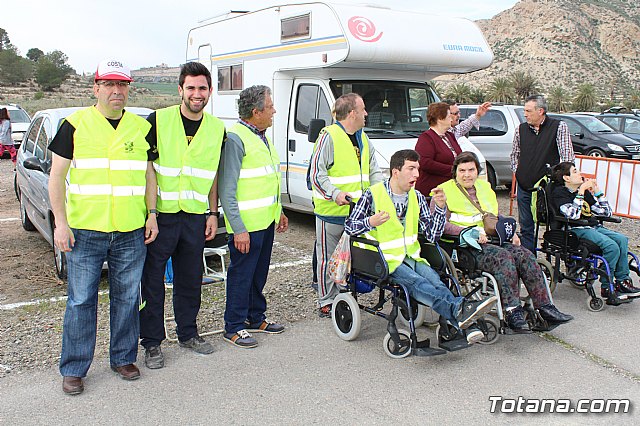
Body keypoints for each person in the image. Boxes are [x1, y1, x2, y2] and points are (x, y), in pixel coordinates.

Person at [48, 60, 158, 395]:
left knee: (126, 298)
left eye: (122, 85)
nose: (116, 91)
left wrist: (151, 214)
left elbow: (149, 174)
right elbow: (56, 178)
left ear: (129, 89)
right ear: (95, 88)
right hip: (85, 232)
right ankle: (74, 368)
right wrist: (61, 224)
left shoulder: (141, 128)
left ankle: (123, 358)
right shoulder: (74, 125)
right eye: (108, 84)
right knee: (81, 300)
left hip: (129, 231)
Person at [345, 149, 498, 344]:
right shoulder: (373, 195)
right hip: (385, 259)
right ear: (396, 172)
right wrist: (370, 222)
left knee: (437, 282)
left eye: (417, 169)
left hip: (412, 255)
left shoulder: (416, 197)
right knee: (418, 284)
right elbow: (350, 226)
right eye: (411, 169)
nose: (417, 174)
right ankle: (464, 313)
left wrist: (441, 209)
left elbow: (432, 235)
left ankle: (463, 321)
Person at [139, 62, 225, 369]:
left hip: (194, 218)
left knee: (190, 279)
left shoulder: (216, 129)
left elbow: (213, 174)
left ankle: (188, 333)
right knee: (152, 282)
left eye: (202, 88)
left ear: (210, 91)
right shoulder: (158, 121)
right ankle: (151, 343)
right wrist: (150, 213)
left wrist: (212, 213)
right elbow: (146, 169)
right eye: (191, 88)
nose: (197, 94)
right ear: (180, 90)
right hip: (160, 218)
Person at [437, 152, 573, 333]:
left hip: (493, 239)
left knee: (525, 255)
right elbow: (440, 224)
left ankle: (545, 307)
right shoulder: (443, 191)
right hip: (465, 246)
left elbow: (492, 216)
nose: (467, 174)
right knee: (504, 258)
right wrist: (467, 232)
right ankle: (512, 311)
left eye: (471, 170)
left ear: (478, 171)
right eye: (462, 170)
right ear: (455, 172)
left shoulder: (485, 188)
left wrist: (512, 232)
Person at [219, 85, 288, 348]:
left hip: (265, 222)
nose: (274, 111)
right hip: (246, 226)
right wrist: (238, 228)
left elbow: (269, 178)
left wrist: (278, 210)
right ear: (256, 111)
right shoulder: (236, 139)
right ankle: (234, 326)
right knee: (241, 275)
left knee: (258, 274)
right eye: (270, 107)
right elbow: (227, 189)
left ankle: (255, 317)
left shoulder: (261, 135)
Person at [309, 93, 383, 318]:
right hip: (331, 212)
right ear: (352, 113)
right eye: (363, 109)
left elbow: (374, 171)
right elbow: (316, 174)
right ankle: (326, 300)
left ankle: (346, 292)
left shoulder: (363, 137)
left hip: (359, 213)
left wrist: (379, 197)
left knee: (354, 257)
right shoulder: (328, 136)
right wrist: (334, 194)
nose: (366, 114)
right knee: (328, 259)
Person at [550, 162, 640, 305]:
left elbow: (606, 212)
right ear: (566, 178)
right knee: (611, 246)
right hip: (576, 229)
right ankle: (606, 286)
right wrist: (580, 192)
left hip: (592, 227)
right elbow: (572, 215)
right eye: (575, 171)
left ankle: (623, 281)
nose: (580, 174)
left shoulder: (585, 192)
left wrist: (597, 191)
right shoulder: (560, 193)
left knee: (622, 239)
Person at [511, 94, 574, 253]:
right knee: (526, 225)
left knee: (553, 224)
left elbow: (567, 158)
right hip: (525, 186)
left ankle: (553, 257)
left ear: (540, 111)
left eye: (528, 111)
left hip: (548, 189)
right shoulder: (521, 129)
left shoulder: (559, 127)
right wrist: (517, 172)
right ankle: (528, 259)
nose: (525, 114)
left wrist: (561, 181)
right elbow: (515, 154)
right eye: (524, 111)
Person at [415, 101, 489, 196]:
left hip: (452, 190)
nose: (452, 119)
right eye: (449, 116)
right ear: (440, 119)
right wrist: (454, 170)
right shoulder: (426, 138)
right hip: (434, 192)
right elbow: (425, 163)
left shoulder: (450, 135)